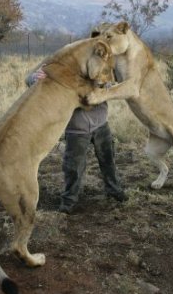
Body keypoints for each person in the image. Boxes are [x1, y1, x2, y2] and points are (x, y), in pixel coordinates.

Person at [26, 65, 128, 213]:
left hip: (101, 124)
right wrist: (35, 78)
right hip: (76, 129)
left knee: (108, 161)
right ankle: (68, 202)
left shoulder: (95, 65)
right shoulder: (61, 66)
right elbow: (29, 79)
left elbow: (115, 82)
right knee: (73, 168)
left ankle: (114, 190)